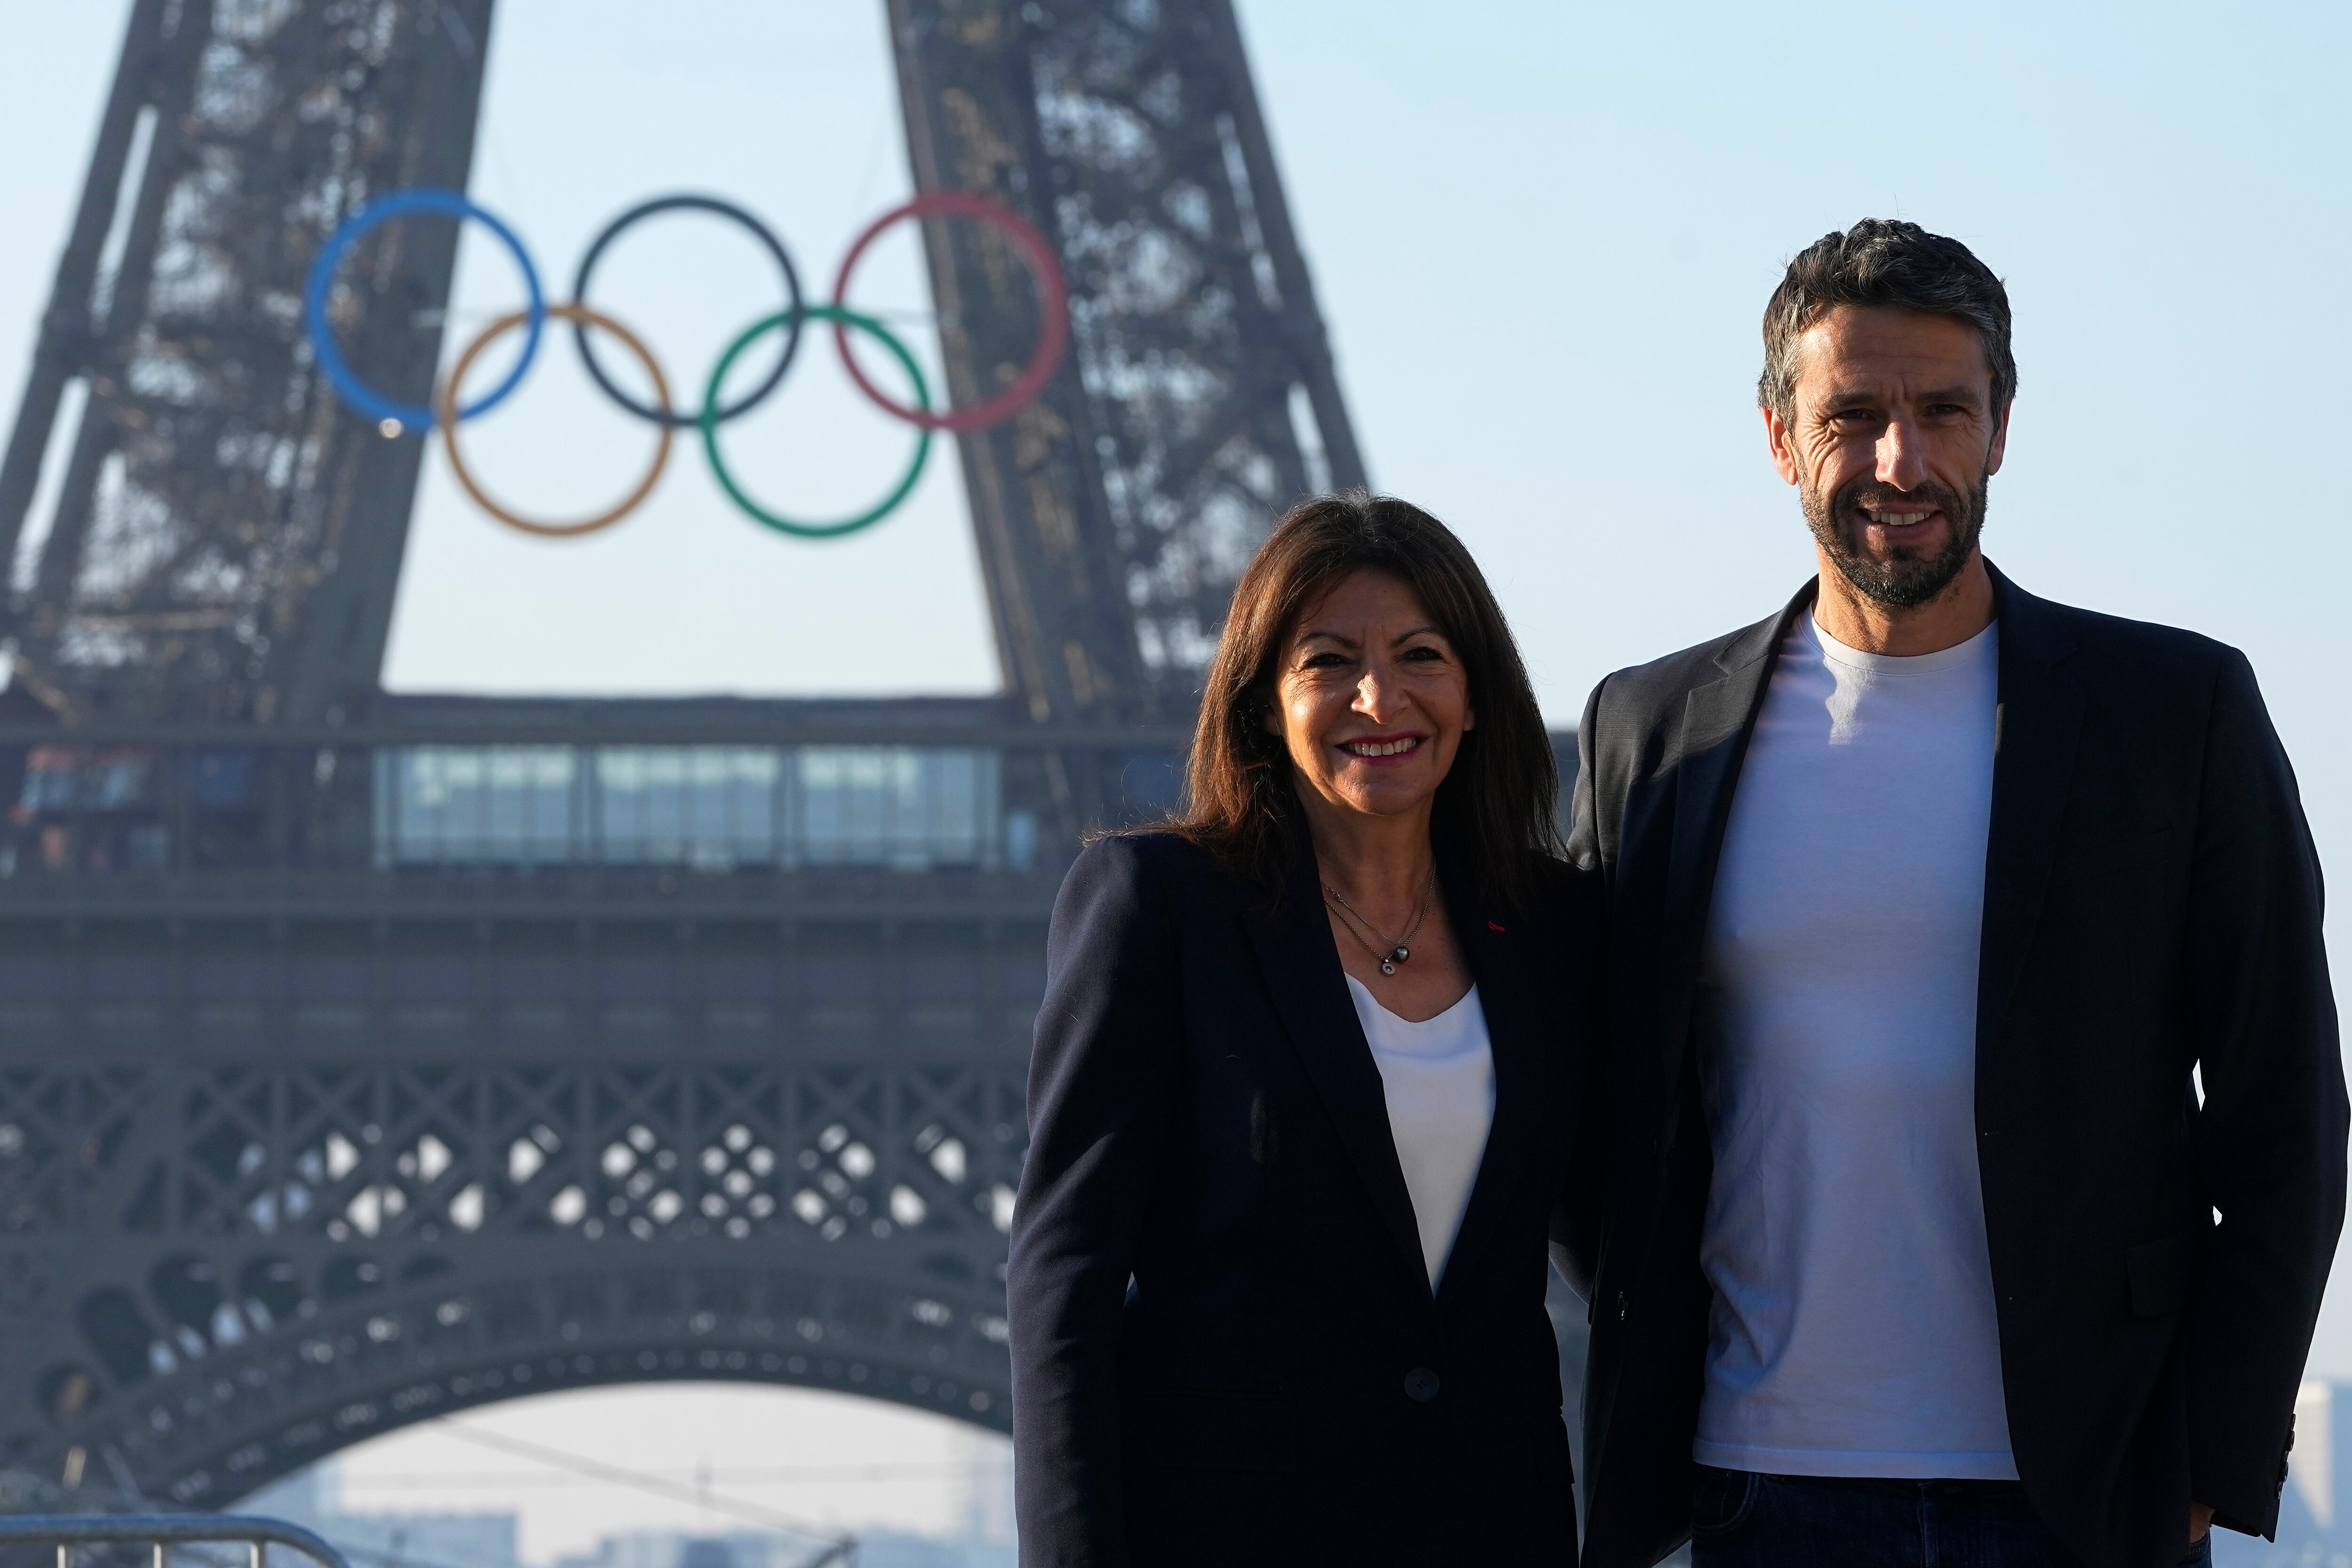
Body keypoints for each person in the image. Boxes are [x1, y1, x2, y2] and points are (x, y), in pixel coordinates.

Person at [1568, 219, 2345, 1568]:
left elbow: (2288, 1117)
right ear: (1775, 436)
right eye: (1852, 415)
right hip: (1755, 1481)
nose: (1899, 460)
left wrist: (2207, 1465)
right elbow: (1583, 1097)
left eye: (1942, 410)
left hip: (2080, 1496)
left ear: (2000, 429)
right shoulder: (1649, 731)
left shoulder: (2177, 713)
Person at [1009, 493, 1600, 1566]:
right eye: (1328, 661)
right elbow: (1065, 1284)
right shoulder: (1158, 908)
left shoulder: (1555, 930)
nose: (1380, 696)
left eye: (1421, 653)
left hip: (1489, 1529)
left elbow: (1612, 1239)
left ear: (1473, 696)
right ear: (1262, 704)